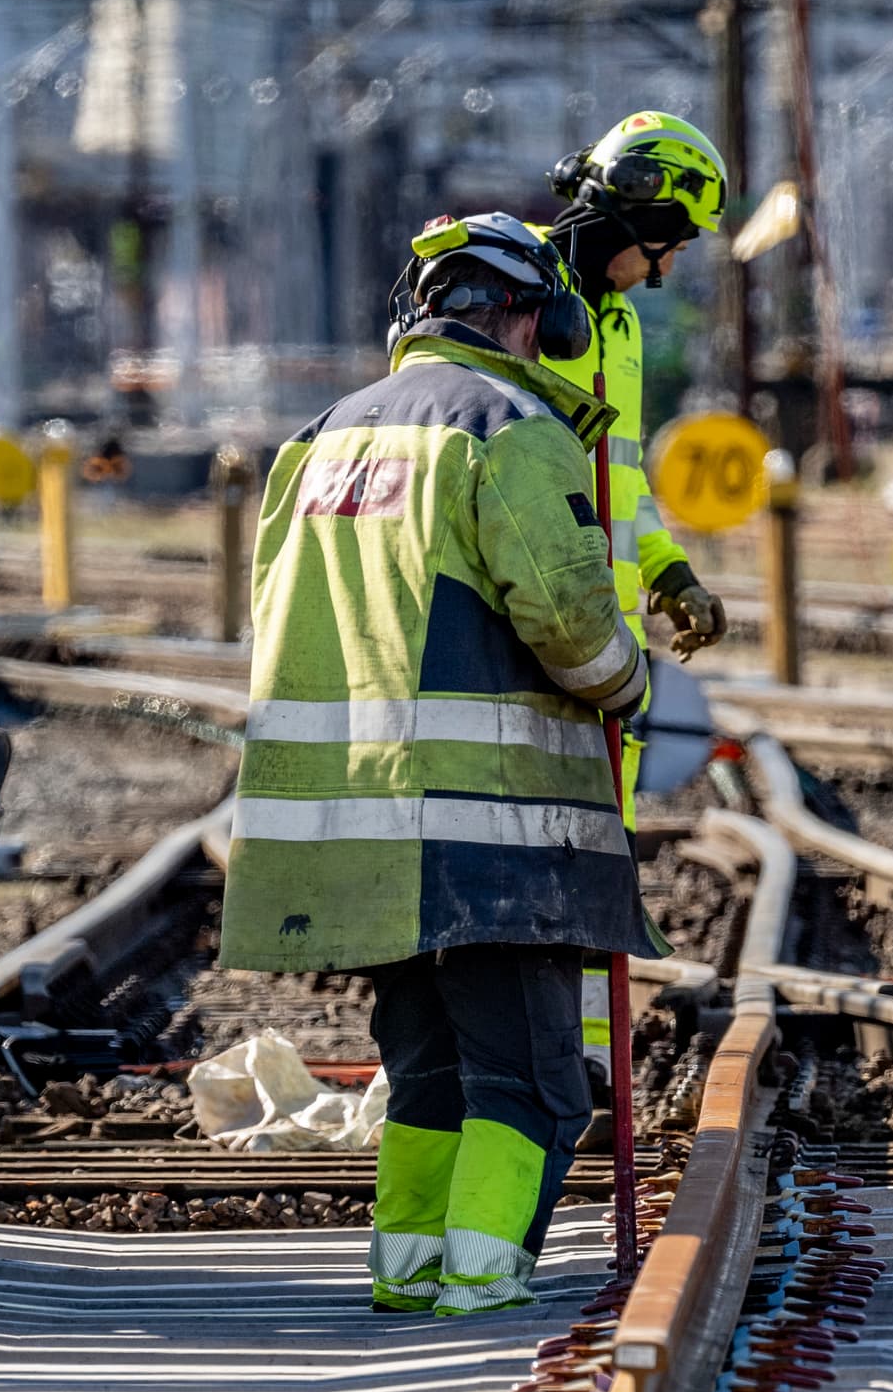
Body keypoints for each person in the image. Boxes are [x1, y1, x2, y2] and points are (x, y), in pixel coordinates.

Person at [219, 214, 655, 1318]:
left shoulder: (317, 440)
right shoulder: (508, 427)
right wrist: (631, 682)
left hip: (356, 825)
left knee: (429, 1072)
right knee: (535, 1085)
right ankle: (482, 1285)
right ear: (533, 318)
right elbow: (567, 617)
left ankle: (408, 1274)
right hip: (488, 827)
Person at [537, 109, 732, 1074]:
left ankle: (590, 1075)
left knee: (597, 860)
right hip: (521, 629)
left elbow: (622, 476)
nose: (663, 272)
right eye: (665, 249)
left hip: (598, 644)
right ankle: (538, 1072)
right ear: (632, 211)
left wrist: (668, 570)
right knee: (529, 854)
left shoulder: (615, 325)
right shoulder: (512, 286)